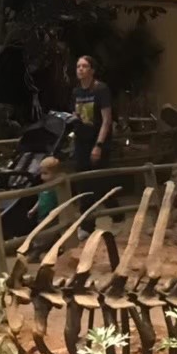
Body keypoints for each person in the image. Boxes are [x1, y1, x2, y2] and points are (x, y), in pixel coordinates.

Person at [70, 56, 113, 233]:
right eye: (78, 66)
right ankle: (87, 225)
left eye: (85, 66)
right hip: (81, 141)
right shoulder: (76, 92)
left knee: (100, 182)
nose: (80, 69)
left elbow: (106, 120)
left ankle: (116, 213)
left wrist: (99, 145)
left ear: (92, 70)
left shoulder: (100, 89)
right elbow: (76, 114)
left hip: (97, 140)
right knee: (83, 183)